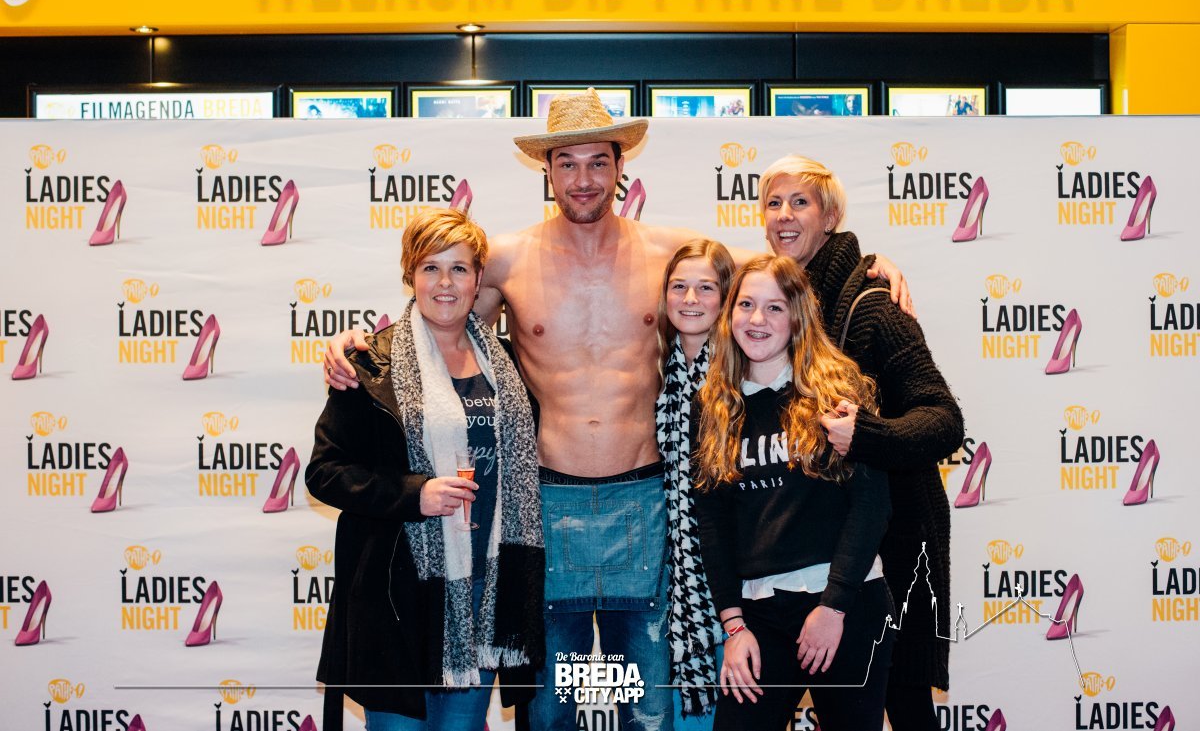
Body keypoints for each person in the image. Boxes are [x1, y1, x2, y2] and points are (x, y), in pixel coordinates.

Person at [323, 90, 913, 731]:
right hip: (546, 501)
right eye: (568, 163)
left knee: (649, 706)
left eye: (597, 163)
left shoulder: (669, 251)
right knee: (553, 708)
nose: (583, 179)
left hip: (646, 499)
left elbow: (783, 273)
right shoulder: (508, 258)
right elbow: (438, 310)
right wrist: (360, 346)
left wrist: (863, 263)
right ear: (547, 170)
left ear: (620, 167)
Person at [305, 209, 544, 731]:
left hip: (484, 590)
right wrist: (414, 494)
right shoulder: (371, 363)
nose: (445, 283)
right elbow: (325, 472)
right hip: (399, 594)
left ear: (478, 280)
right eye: (430, 268)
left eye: (459, 269)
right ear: (410, 274)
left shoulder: (508, 364)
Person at [758, 155, 964, 731]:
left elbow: (944, 420)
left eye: (800, 202)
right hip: (824, 545)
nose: (784, 214)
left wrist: (866, 435)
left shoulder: (872, 305)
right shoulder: (779, 304)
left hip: (896, 540)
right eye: (773, 203)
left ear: (830, 217)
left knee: (905, 704)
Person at [693, 254, 894, 731]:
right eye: (746, 305)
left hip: (846, 604)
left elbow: (871, 505)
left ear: (798, 316)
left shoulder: (838, 393)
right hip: (759, 616)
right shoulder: (714, 405)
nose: (757, 320)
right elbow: (712, 524)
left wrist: (834, 605)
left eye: (775, 307)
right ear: (729, 314)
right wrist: (734, 626)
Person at [655, 240, 735, 729]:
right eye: (678, 286)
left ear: (726, 297)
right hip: (674, 574)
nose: (690, 299)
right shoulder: (657, 367)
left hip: (736, 576)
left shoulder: (741, 370)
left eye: (706, 288)